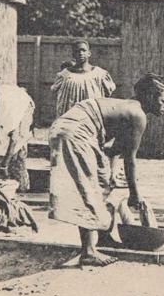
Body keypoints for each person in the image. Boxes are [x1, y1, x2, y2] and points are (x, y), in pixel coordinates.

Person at [48, 73, 164, 267]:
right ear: (150, 97)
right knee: (89, 189)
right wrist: (135, 195)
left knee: (101, 181)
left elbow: (116, 150)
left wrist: (109, 173)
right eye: (163, 101)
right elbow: (130, 160)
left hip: (66, 128)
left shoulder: (126, 108)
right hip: (76, 133)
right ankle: (88, 252)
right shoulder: (138, 115)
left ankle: (103, 236)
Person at [51, 40, 123, 186]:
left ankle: (95, 183)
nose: (81, 53)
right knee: (68, 149)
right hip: (69, 117)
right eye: (77, 51)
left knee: (94, 147)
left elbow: (107, 95)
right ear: (73, 54)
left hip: (92, 118)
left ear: (89, 53)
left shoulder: (100, 74)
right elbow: (56, 94)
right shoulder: (64, 75)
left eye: (83, 50)